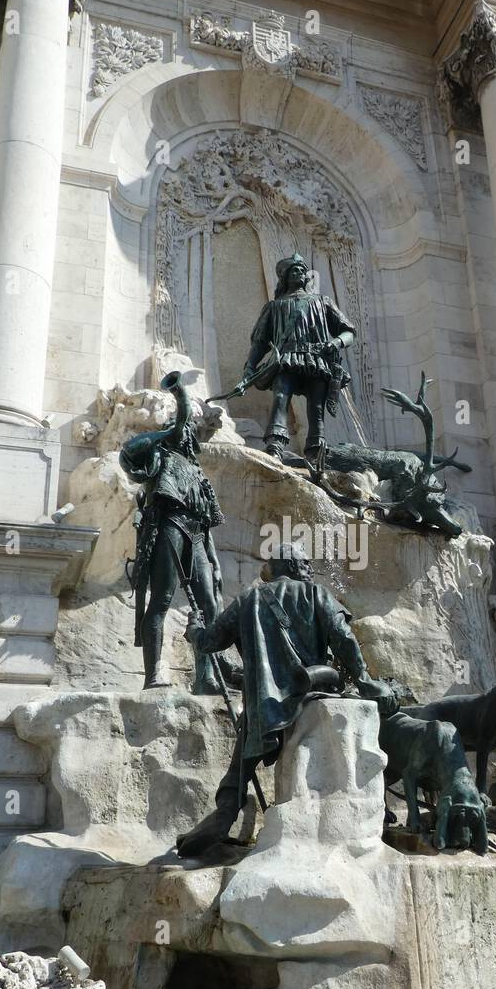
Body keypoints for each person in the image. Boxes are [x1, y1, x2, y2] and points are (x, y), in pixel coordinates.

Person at [177, 543, 397, 857]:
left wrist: (194, 628)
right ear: (292, 565)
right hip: (310, 690)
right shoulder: (315, 594)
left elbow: (210, 641)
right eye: (305, 562)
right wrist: (362, 678)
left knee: (242, 762)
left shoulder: (248, 599)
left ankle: (226, 811)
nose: (309, 567)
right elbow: (343, 636)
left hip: (264, 705)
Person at [120, 372, 226, 693]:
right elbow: (127, 454)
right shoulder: (159, 453)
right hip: (168, 524)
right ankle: (153, 674)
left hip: (196, 531)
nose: (188, 432)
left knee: (210, 604)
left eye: (191, 430)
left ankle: (204, 676)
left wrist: (214, 558)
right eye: (185, 427)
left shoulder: (195, 468)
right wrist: (169, 426)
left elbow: (207, 519)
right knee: (161, 600)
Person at [244, 253, 355, 460]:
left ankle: (316, 451)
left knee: (316, 406)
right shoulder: (274, 306)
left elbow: (348, 331)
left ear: (307, 277)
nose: (298, 272)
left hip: (317, 359)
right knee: (280, 397)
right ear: (284, 278)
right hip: (285, 359)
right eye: (293, 270)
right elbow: (260, 342)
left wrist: (336, 342)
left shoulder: (322, 302)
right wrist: (250, 365)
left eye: (302, 270)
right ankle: (275, 445)